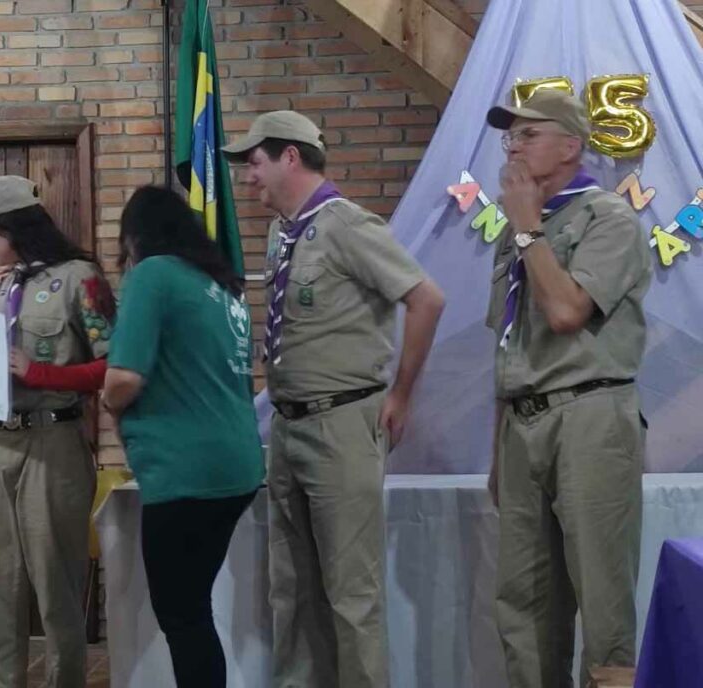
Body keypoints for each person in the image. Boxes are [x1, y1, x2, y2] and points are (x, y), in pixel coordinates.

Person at [223, 110, 445, 688]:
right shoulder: (283, 233)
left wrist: (401, 394)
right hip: (288, 426)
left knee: (352, 594)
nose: (248, 177)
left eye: (255, 163)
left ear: (290, 157)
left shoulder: (347, 224)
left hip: (341, 424)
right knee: (292, 590)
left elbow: (426, 299)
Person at [485, 90, 651, 688]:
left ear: (570, 146)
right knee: (523, 601)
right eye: (511, 137)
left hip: (589, 415)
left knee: (602, 595)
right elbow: (507, 342)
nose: (513, 147)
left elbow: (565, 312)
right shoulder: (519, 234)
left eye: (528, 134)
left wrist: (529, 229)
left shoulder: (609, 218)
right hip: (521, 422)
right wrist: (497, 448)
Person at [0, 175, 114, 688]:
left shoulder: (81, 279)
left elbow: (116, 364)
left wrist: (41, 374)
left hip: (51, 443)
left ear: (10, 228)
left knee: (57, 580)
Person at [101, 186, 265, 688]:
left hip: (184, 469)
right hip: (237, 466)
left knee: (182, 614)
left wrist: (107, 401)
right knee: (192, 608)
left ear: (135, 238)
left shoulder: (152, 275)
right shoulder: (223, 289)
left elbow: (124, 378)